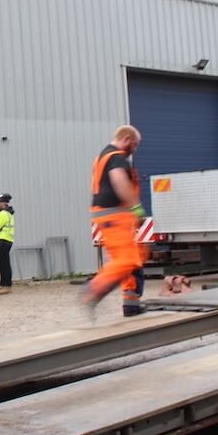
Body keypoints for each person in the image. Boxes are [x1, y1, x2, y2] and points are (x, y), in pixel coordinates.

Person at [82, 125, 148, 317]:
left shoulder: (103, 156)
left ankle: (131, 304)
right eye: (135, 145)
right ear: (127, 139)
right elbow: (119, 181)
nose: (134, 149)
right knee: (126, 260)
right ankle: (91, 291)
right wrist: (136, 208)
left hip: (111, 214)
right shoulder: (116, 157)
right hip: (115, 215)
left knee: (134, 258)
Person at [0, 193, 16, 294]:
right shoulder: (9, 214)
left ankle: (6, 286)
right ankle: (4, 285)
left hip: (2, 240)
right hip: (7, 241)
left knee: (3, 264)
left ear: (2, 203)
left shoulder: (3, 214)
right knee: (3, 263)